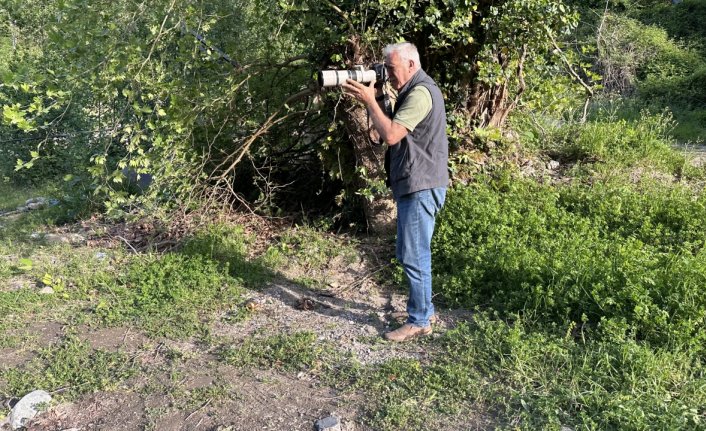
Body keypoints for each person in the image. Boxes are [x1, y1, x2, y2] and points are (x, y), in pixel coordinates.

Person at [342, 42, 449, 342]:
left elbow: (390, 135)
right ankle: (423, 309)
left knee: (415, 255)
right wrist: (377, 97)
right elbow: (384, 131)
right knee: (409, 253)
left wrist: (368, 101)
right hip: (414, 183)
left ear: (411, 65)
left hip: (421, 185)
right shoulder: (409, 91)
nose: (387, 75)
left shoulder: (420, 93)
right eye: (385, 69)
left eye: (391, 68)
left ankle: (419, 320)